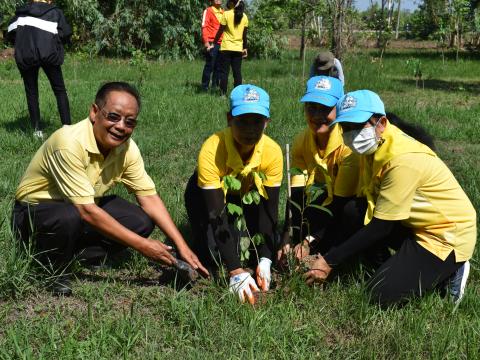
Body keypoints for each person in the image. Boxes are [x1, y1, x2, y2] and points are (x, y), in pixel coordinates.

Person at [11, 82, 208, 296]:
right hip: (34, 214)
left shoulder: (127, 149)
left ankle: (80, 255)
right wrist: (142, 246)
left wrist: (182, 246)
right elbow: (85, 210)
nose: (121, 126)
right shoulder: (68, 142)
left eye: (129, 122)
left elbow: (149, 198)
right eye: (113, 117)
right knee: (69, 216)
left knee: (140, 220)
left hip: (81, 207)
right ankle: (51, 267)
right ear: (94, 112)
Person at [304, 90, 477, 307]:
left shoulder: (402, 161)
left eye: (358, 126)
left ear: (382, 123)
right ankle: (392, 268)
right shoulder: (372, 148)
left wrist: (329, 260)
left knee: (379, 296)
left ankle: (454, 269)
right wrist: (312, 240)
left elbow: (381, 228)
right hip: (411, 221)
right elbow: (349, 205)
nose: (351, 134)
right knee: (352, 212)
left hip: (444, 234)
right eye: (346, 127)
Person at [184, 84, 283, 304]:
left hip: (245, 194)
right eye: (242, 121)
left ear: (267, 121)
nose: (250, 128)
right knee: (215, 255)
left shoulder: (272, 151)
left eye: (257, 121)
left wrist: (266, 258)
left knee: (264, 244)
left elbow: (270, 209)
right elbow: (216, 214)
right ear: (230, 119)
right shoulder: (212, 149)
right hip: (207, 197)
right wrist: (235, 270)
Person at [277, 76, 361, 264]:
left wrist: (308, 241)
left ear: (339, 109)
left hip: (348, 203)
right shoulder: (302, 141)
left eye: (325, 109)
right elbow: (296, 194)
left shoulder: (348, 148)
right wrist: (288, 236)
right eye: (311, 107)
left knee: (349, 214)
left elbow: (339, 204)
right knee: (308, 203)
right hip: (326, 198)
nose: (317, 115)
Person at [6, 0, 72, 139]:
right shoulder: (55, 13)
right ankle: (67, 128)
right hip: (50, 54)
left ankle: (36, 131)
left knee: (32, 92)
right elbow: (66, 34)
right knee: (59, 90)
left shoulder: (20, 14)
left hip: (27, 55)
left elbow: (10, 33)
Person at [211, 0, 248, 96]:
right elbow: (244, 36)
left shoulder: (226, 14)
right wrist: (245, 48)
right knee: (237, 73)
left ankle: (223, 94)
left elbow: (220, 31)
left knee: (224, 73)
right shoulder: (244, 17)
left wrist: (213, 43)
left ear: (232, 3)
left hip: (226, 48)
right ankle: (237, 95)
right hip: (238, 49)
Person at [201, 0, 223, 91]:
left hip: (222, 43)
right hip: (211, 43)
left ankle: (215, 86)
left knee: (219, 66)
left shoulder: (224, 12)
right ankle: (204, 87)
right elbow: (204, 27)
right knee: (210, 65)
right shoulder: (208, 11)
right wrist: (206, 43)